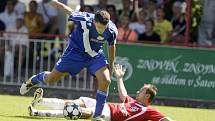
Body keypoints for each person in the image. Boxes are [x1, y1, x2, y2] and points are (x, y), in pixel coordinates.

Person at [19, 0, 117, 121]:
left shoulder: (112, 29)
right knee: (51, 79)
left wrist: (111, 66)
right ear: (93, 21)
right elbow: (66, 9)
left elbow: (112, 46)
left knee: (106, 80)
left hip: (94, 55)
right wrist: (53, 2)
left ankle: (97, 116)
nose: (102, 31)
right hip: (74, 53)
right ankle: (34, 79)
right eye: (99, 28)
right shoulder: (84, 18)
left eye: (104, 28)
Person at [28, 64, 175, 121]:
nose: (138, 91)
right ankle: (41, 101)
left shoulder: (148, 111)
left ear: (147, 96)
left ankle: (38, 113)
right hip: (105, 105)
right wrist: (119, 78)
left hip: (108, 115)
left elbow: (165, 120)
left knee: (76, 111)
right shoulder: (133, 102)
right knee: (78, 101)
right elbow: (123, 95)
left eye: (142, 91)